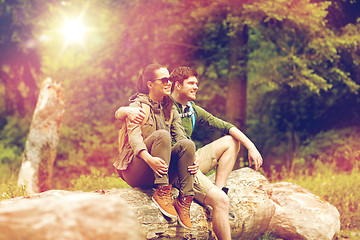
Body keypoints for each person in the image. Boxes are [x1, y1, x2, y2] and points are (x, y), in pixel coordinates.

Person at [116, 66, 263, 240]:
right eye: (191, 83)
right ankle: (172, 192)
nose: (196, 87)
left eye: (168, 79)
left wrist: (250, 147)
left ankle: (202, 194)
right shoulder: (145, 104)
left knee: (206, 142)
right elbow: (133, 132)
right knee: (163, 136)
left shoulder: (180, 109)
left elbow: (212, 129)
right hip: (151, 166)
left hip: (174, 161)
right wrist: (123, 111)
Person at [113, 64, 197, 229]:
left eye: (170, 80)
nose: (169, 83)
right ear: (150, 84)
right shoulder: (137, 107)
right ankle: (162, 191)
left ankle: (184, 200)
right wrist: (148, 158)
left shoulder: (170, 108)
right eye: (164, 80)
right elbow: (134, 138)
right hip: (136, 169)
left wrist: (193, 158)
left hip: (159, 168)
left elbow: (181, 136)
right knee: (162, 135)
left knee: (187, 144)